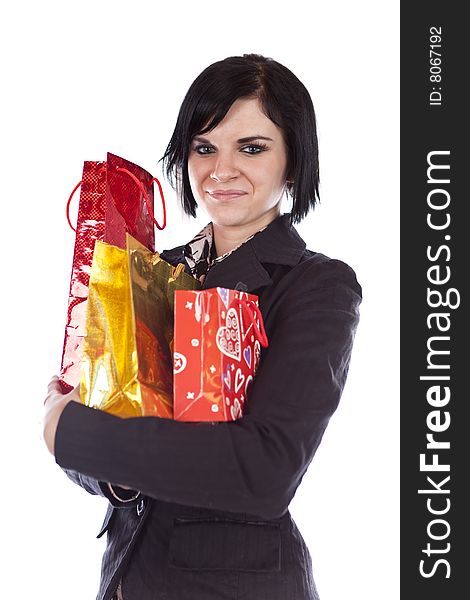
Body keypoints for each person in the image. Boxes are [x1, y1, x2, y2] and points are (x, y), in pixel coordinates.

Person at [43, 53, 362, 600]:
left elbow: (264, 473)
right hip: (125, 575)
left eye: (252, 148)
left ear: (293, 160)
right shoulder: (150, 268)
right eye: (204, 147)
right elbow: (100, 408)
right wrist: (110, 472)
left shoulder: (318, 286)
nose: (222, 170)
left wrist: (66, 433)